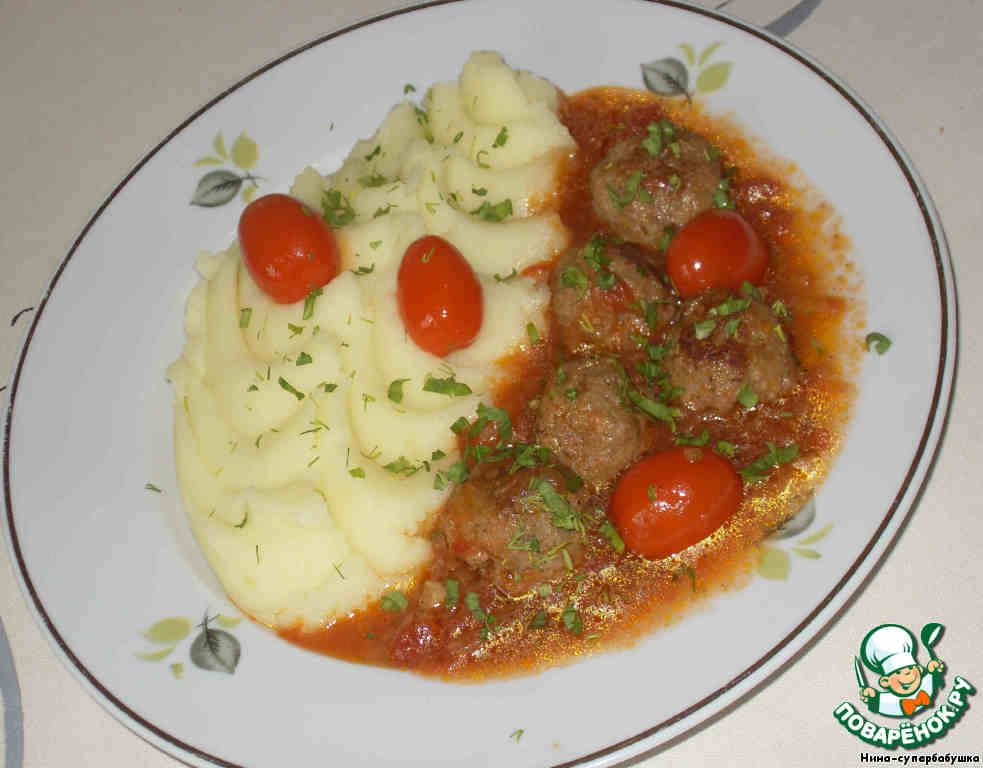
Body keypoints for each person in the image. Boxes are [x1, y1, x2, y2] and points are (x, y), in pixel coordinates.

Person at [859, 624, 945, 718]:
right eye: (898, 673)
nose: (907, 674)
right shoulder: (888, 702)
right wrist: (871, 697)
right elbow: (877, 703)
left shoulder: (926, 684)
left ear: (920, 670)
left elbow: (934, 679)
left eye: (911, 669)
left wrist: (934, 670)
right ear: (885, 682)